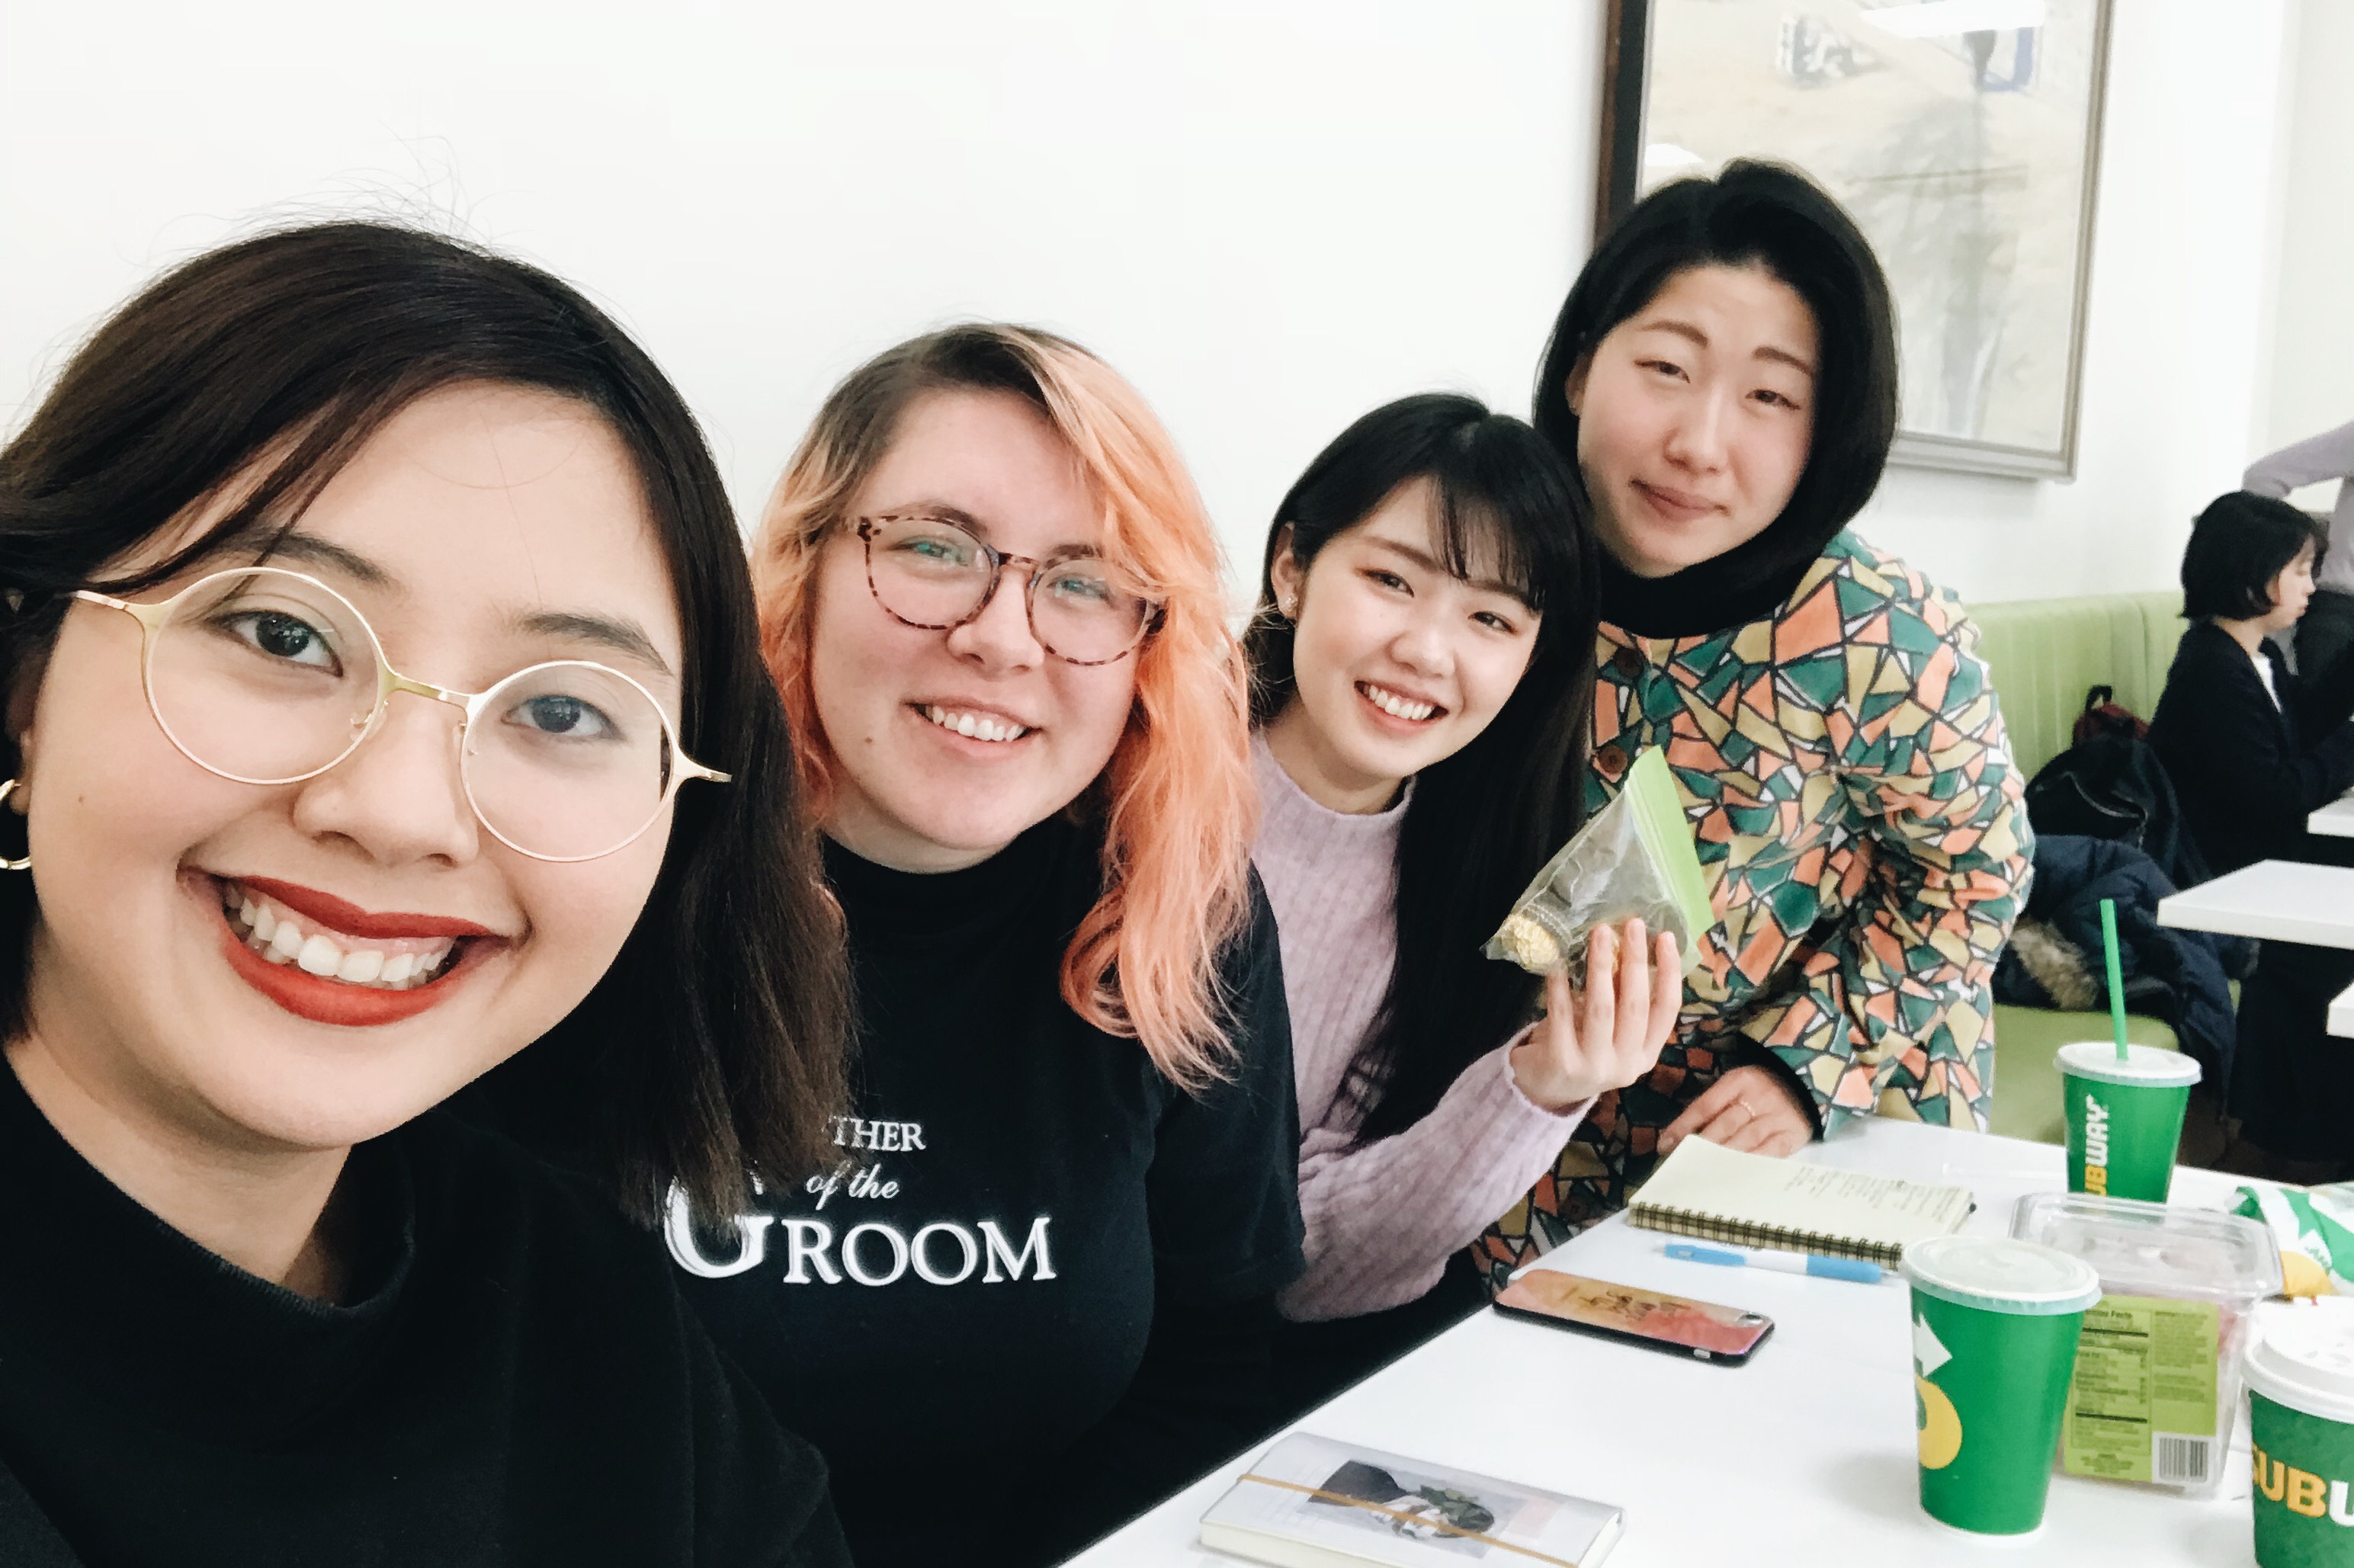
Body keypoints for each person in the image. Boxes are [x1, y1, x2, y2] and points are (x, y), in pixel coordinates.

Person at [0, 224, 853, 1564]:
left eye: (564, 708)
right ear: (26, 681)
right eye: (282, 632)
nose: (399, 811)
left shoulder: (576, 1297)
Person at [673, 324, 1304, 1568]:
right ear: (803, 568)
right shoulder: (635, 879)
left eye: (1081, 580)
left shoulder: (1181, 916)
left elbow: (1216, 1366)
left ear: (1144, 647)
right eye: (930, 547)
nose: (1001, 638)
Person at [1481, 160, 2034, 1276]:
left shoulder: (1877, 628)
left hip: (1817, 1131)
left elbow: (1973, 875)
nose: (1699, 442)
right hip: (1533, 1119)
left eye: (1770, 396)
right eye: (1667, 368)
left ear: (1825, 428)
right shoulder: (1490, 573)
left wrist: (1802, 1068)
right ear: (1584, 366)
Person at [1241, 393, 1680, 1412]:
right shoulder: (1124, 791)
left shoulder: (1484, 886)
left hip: (1281, 1373)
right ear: (1293, 568)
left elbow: (1304, 1267)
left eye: (1491, 617)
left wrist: (1540, 1083)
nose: (1429, 653)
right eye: (1392, 580)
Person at [2150, 492, 2354, 1170]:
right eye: (2300, 570)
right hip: (2220, 877)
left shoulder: (2258, 659)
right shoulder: (2210, 670)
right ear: (2253, 573)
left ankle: (2298, 1137)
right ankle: (2303, 1145)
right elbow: (2279, 797)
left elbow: (2308, 730)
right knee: (2326, 960)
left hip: (2260, 867)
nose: (2312, 586)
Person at [2244, 418, 2354, 678]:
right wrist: (2296, 552)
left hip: (2339, 614)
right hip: (2341, 613)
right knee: (2317, 717)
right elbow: (2263, 478)